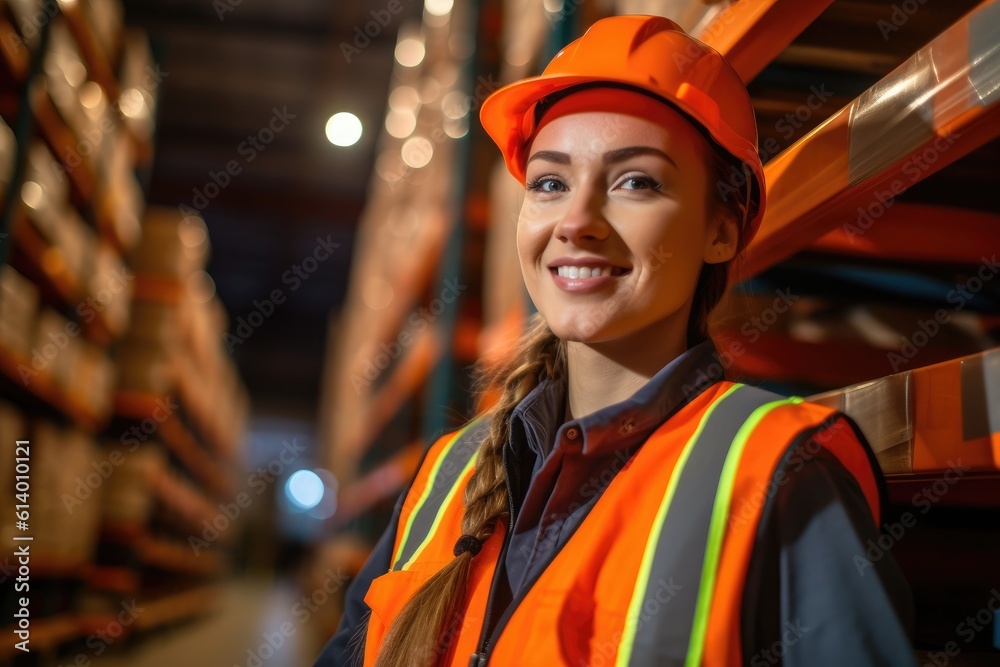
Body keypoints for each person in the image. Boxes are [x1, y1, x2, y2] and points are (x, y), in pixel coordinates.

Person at [314, 15, 917, 667]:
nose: (576, 221)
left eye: (637, 181)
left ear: (722, 229)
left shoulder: (781, 475)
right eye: (550, 183)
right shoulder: (445, 477)